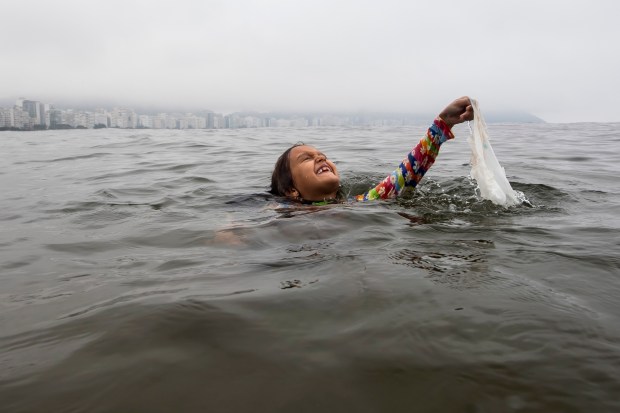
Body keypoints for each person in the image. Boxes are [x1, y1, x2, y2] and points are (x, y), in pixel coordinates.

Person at [270, 97, 474, 204]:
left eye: (322, 155)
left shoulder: (359, 203)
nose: (321, 157)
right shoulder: (281, 215)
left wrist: (442, 125)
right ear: (291, 190)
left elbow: (405, 174)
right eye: (306, 158)